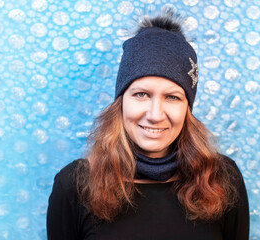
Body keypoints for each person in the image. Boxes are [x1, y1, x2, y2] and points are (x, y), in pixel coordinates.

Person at [47, 8, 249, 240]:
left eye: (172, 97)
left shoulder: (222, 179)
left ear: (187, 108)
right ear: (121, 102)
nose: (155, 115)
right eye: (141, 94)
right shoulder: (74, 185)